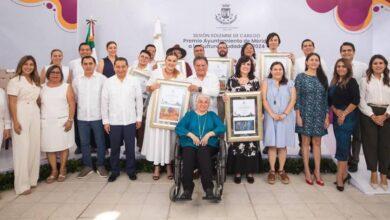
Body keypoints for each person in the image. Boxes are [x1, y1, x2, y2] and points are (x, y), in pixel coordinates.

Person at [141, 52, 186, 180]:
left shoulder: (180, 76)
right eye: (169, 60)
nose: (171, 63)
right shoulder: (156, 73)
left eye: (174, 61)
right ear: (165, 61)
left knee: (169, 137)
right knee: (157, 136)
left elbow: (183, 93)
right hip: (155, 110)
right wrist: (152, 87)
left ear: (176, 62)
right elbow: (147, 88)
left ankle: (168, 165)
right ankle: (156, 166)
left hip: (171, 112)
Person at [175, 94, 226, 200]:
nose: (203, 104)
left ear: (209, 104)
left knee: (203, 152)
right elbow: (179, 127)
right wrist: (191, 135)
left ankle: (208, 189)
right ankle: (187, 190)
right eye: (200, 102)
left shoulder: (212, 115)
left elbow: (222, 127)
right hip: (190, 144)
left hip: (208, 145)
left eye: (205, 102)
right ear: (196, 103)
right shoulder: (190, 115)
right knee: (188, 155)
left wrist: (209, 134)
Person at [101, 57, 143, 182]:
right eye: (118, 66)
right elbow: (104, 102)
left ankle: (131, 171)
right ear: (114, 67)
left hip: (130, 121)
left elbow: (139, 101)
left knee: (130, 148)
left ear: (127, 67)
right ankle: (114, 171)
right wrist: (106, 121)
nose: (120, 69)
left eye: (123, 66)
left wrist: (139, 118)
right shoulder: (108, 82)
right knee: (114, 148)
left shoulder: (134, 81)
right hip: (114, 122)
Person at [7, 55, 41, 195]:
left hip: (34, 112)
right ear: (21, 65)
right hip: (21, 113)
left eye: (31, 64)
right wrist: (15, 121)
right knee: (22, 148)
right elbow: (12, 102)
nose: (28, 67)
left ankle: (32, 180)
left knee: (34, 146)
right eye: (26, 64)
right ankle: (21, 185)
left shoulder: (35, 81)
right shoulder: (15, 81)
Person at [225, 56, 261, 184]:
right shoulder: (231, 80)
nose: (246, 66)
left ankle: (250, 172)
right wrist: (225, 98)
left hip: (251, 118)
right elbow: (227, 94)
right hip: (236, 119)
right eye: (244, 64)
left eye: (249, 64)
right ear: (239, 65)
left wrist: (259, 114)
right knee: (237, 144)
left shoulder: (255, 80)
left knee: (250, 144)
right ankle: (238, 172)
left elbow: (259, 100)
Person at [295, 53, 329, 186]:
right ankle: (307, 170)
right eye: (312, 60)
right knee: (305, 143)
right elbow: (297, 98)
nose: (314, 62)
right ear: (307, 62)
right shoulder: (300, 77)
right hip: (305, 114)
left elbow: (326, 99)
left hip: (320, 114)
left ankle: (317, 171)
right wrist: (298, 115)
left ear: (319, 63)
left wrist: (327, 115)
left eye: (317, 60)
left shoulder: (323, 78)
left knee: (317, 143)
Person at [72, 56, 108, 178]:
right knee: (84, 143)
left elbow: (106, 98)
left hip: (98, 116)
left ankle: (101, 165)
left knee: (100, 142)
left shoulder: (102, 79)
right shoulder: (77, 80)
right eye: (85, 63)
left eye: (90, 63)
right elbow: (76, 98)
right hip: (82, 117)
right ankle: (87, 166)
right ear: (82, 65)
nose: (88, 66)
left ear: (94, 64)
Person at [359, 54, 390, 190]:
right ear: (371, 65)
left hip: (387, 114)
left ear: (385, 65)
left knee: (386, 145)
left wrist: (386, 114)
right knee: (370, 144)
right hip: (369, 114)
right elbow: (361, 100)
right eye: (375, 63)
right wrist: (372, 115)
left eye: (381, 63)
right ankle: (373, 173)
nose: (378, 65)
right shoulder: (365, 80)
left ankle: (383, 174)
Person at [262, 62, 296, 185]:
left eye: (280, 69)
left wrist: (284, 114)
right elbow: (264, 99)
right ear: (271, 71)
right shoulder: (266, 82)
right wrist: (271, 114)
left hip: (285, 118)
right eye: (275, 69)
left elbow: (293, 100)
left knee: (282, 145)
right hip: (270, 117)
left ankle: (281, 171)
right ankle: (272, 170)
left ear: (283, 71)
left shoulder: (290, 83)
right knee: (272, 144)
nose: (277, 71)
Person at [328, 58, 360, 191]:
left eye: (343, 66)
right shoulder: (334, 82)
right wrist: (336, 111)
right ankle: (345, 174)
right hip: (337, 116)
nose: (340, 68)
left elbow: (356, 100)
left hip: (348, 116)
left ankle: (339, 177)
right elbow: (330, 101)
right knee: (342, 145)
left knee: (342, 146)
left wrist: (343, 114)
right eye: (338, 66)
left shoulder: (352, 81)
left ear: (348, 68)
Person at [40, 65, 75, 183]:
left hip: (63, 122)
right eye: (53, 72)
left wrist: (70, 120)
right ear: (48, 74)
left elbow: (72, 104)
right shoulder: (41, 87)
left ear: (61, 75)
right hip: (46, 122)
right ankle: (54, 170)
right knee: (49, 147)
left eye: (58, 73)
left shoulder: (66, 87)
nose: (55, 74)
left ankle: (62, 169)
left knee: (63, 146)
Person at [340, 42, 368, 172]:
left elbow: (366, 86)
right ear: (340, 53)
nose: (346, 53)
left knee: (357, 136)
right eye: (344, 51)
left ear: (354, 52)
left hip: (358, 106)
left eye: (349, 50)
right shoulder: (338, 66)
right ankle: (347, 158)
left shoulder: (363, 67)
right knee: (344, 135)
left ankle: (355, 161)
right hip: (342, 107)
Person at [69, 42, 93, 154]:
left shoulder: (94, 62)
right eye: (82, 49)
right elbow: (70, 80)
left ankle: (93, 145)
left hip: (91, 99)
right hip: (76, 98)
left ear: (91, 51)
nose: (85, 51)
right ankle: (80, 145)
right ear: (79, 51)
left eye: (87, 49)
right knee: (78, 123)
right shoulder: (72, 63)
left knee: (92, 123)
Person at [129, 50, 153, 152]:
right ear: (138, 57)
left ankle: (140, 146)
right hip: (130, 100)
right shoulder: (131, 70)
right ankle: (129, 146)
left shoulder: (152, 72)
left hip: (144, 101)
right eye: (142, 56)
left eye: (146, 58)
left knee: (141, 124)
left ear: (149, 60)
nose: (143, 59)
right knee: (130, 123)